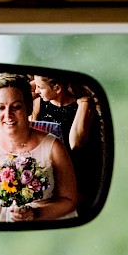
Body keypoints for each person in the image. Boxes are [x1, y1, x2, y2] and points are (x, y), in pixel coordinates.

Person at [0, 74, 78, 222]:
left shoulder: (54, 146)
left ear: (29, 108)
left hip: (45, 219)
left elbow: (69, 201)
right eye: (0, 108)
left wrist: (36, 214)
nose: (8, 115)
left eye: (16, 107)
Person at [34, 75, 105, 212]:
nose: (36, 91)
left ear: (57, 88)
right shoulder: (39, 105)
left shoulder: (82, 107)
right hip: (48, 173)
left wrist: (84, 104)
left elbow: (75, 143)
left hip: (79, 174)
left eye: (40, 87)